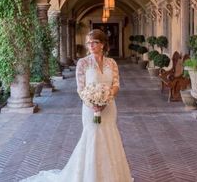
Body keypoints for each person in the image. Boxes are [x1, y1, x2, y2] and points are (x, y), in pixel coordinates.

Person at [21, 29, 133, 182]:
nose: (91, 45)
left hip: (109, 107)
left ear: (103, 44)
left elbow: (116, 84)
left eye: (95, 42)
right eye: (89, 43)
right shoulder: (83, 63)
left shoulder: (111, 63)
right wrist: (94, 104)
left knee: (110, 137)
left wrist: (106, 99)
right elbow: (81, 89)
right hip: (90, 108)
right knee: (92, 137)